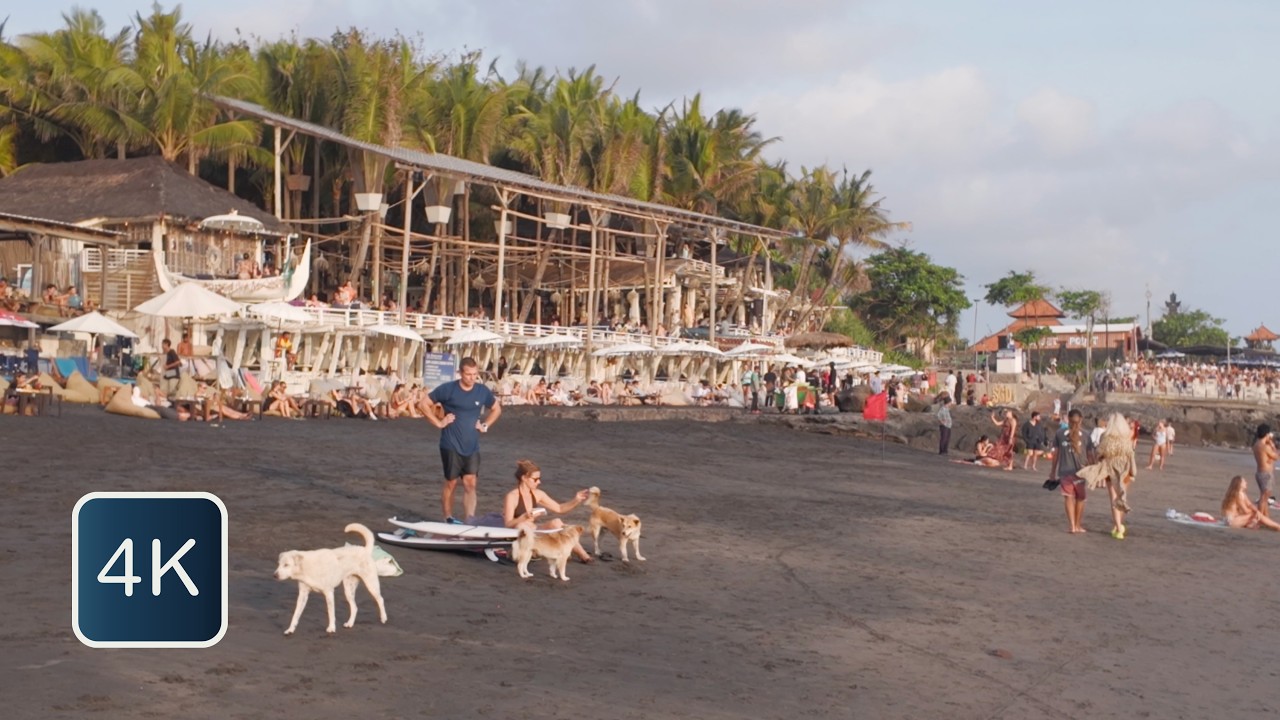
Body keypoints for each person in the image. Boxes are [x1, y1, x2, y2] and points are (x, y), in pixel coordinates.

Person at [426, 357, 501, 524]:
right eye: (468, 374)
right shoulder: (448, 389)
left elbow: (496, 408)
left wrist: (485, 425)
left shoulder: (482, 391)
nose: (472, 378)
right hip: (451, 444)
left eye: (475, 374)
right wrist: (439, 422)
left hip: (472, 446)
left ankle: (469, 520)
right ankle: (447, 518)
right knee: (451, 483)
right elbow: (423, 404)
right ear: (460, 373)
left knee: (470, 483)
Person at [490, 459, 592, 562]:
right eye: (535, 479)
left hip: (535, 531)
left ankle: (583, 554)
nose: (539, 482)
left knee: (557, 522)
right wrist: (523, 517)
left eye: (539, 478)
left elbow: (560, 508)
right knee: (522, 526)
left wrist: (576, 500)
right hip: (520, 533)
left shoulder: (538, 494)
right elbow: (508, 524)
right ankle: (533, 551)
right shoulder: (512, 496)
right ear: (524, 478)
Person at [1049, 409, 1090, 534]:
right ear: (1081, 420)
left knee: (1068, 497)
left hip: (1064, 470)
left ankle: (1072, 526)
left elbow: (1055, 454)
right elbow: (1091, 455)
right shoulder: (1086, 435)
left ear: (1068, 419)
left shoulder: (1060, 433)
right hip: (1081, 471)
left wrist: (1052, 472)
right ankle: (1077, 525)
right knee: (1080, 498)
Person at [1252, 424, 1277, 517]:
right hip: (1266, 474)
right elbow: (1276, 456)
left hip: (1260, 473)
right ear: (1266, 434)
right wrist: (1273, 446)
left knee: (1265, 497)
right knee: (1264, 498)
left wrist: (1271, 457)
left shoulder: (1256, 445)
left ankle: (1265, 516)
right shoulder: (1265, 446)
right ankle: (1260, 517)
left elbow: (1269, 457)